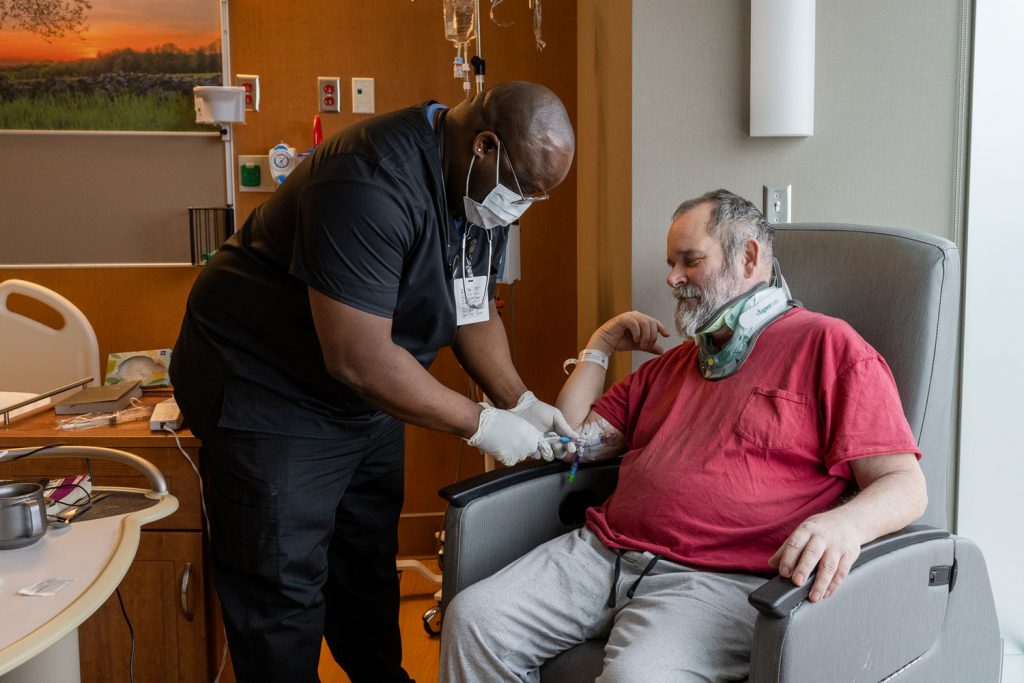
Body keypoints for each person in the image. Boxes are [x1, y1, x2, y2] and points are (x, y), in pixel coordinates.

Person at [170, 81, 576, 682]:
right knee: (282, 583)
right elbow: (358, 360)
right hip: (266, 385)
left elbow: (473, 307)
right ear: (485, 145)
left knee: (364, 562)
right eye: (523, 191)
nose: (520, 207)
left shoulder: (478, 187)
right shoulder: (367, 178)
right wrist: (484, 425)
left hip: (369, 391)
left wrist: (523, 402)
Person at [439, 189, 928, 682]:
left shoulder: (828, 346)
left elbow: (904, 484)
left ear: (750, 257)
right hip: (601, 553)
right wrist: (601, 345)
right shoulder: (672, 366)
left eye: (690, 261)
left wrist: (844, 527)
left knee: (639, 677)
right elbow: (570, 440)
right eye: (671, 264)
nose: (672, 279)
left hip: (715, 582)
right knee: (475, 620)